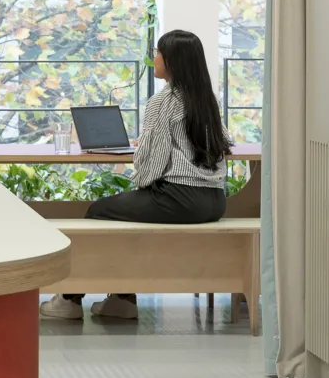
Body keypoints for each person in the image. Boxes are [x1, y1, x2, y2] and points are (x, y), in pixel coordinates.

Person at [41, 29, 231, 322]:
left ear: (172, 60)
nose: (154, 58)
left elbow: (153, 163)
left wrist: (142, 182)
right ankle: (121, 299)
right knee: (123, 213)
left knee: (99, 211)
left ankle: (70, 300)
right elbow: (221, 143)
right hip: (215, 201)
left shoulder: (163, 100)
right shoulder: (206, 99)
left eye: (158, 52)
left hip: (180, 199)